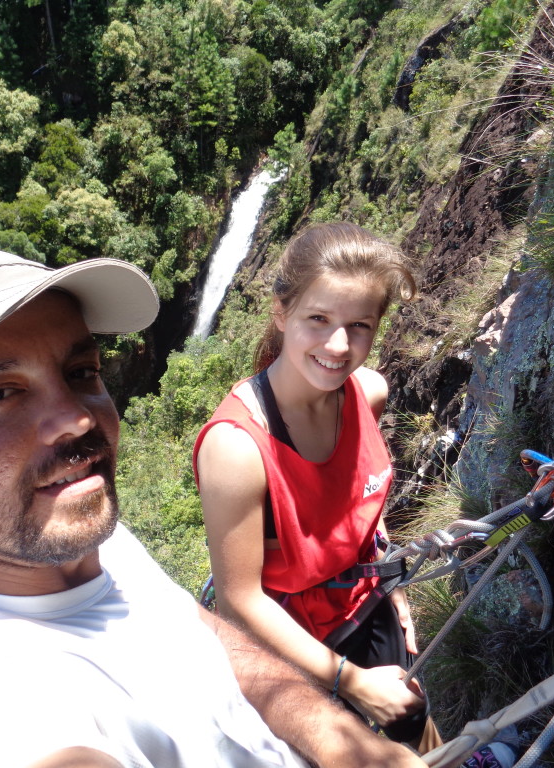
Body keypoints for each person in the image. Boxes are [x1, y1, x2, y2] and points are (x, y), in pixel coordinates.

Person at [0, 247, 427, 768]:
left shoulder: (90, 538)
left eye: (81, 372)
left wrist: (338, 740)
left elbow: (191, 628)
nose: (76, 418)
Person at [194, 222, 440, 751]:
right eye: (318, 319)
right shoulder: (238, 449)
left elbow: (358, 502)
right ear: (281, 313)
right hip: (287, 642)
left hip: (364, 600)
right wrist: (349, 681)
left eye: (359, 326)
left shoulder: (366, 394)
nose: (338, 344)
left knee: (413, 721)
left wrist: (386, 578)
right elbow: (240, 602)